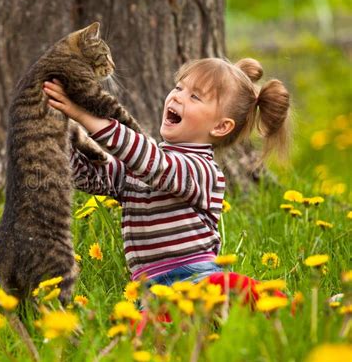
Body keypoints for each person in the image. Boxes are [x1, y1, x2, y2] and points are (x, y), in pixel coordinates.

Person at [43, 57, 290, 290]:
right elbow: (94, 175)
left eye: (195, 96)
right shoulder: (142, 164)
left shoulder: (202, 170)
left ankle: (303, 307)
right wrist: (57, 138)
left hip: (198, 279)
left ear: (220, 126)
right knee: (148, 328)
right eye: (178, 87)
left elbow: (156, 165)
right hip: (150, 288)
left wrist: (86, 117)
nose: (177, 97)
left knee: (232, 290)